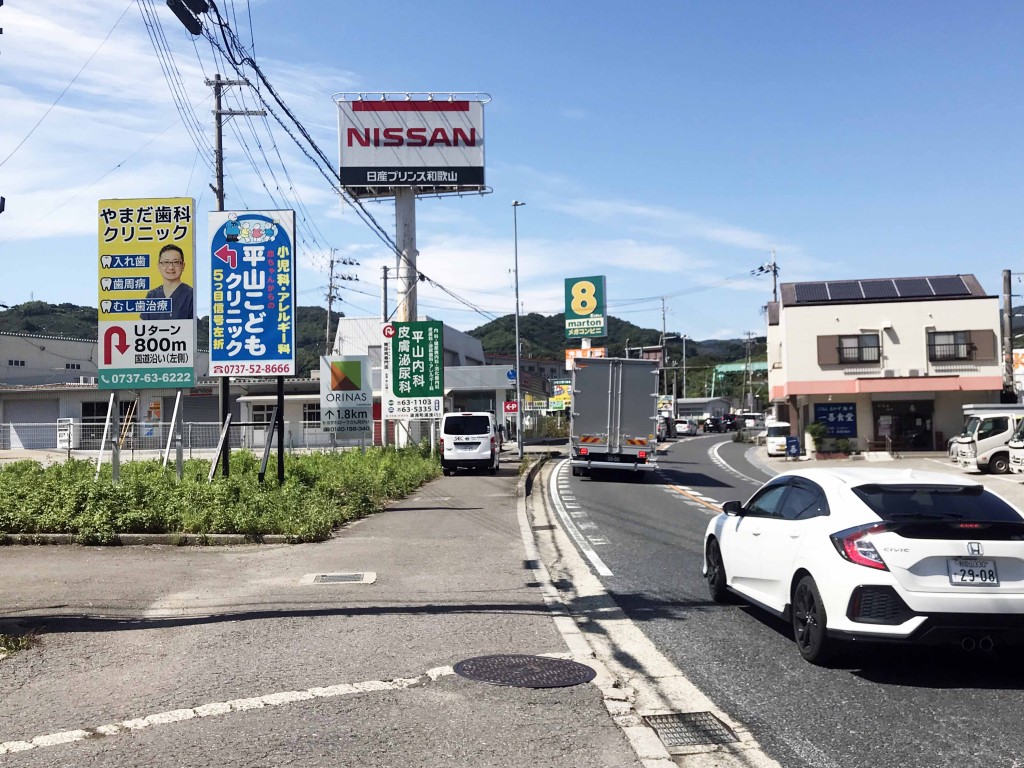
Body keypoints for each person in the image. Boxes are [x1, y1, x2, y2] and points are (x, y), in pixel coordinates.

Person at [141, 243, 194, 320]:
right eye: (166, 262)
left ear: (183, 266)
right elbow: (145, 327)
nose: (171, 267)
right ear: (159, 266)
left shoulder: (191, 295)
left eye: (176, 262)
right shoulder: (151, 296)